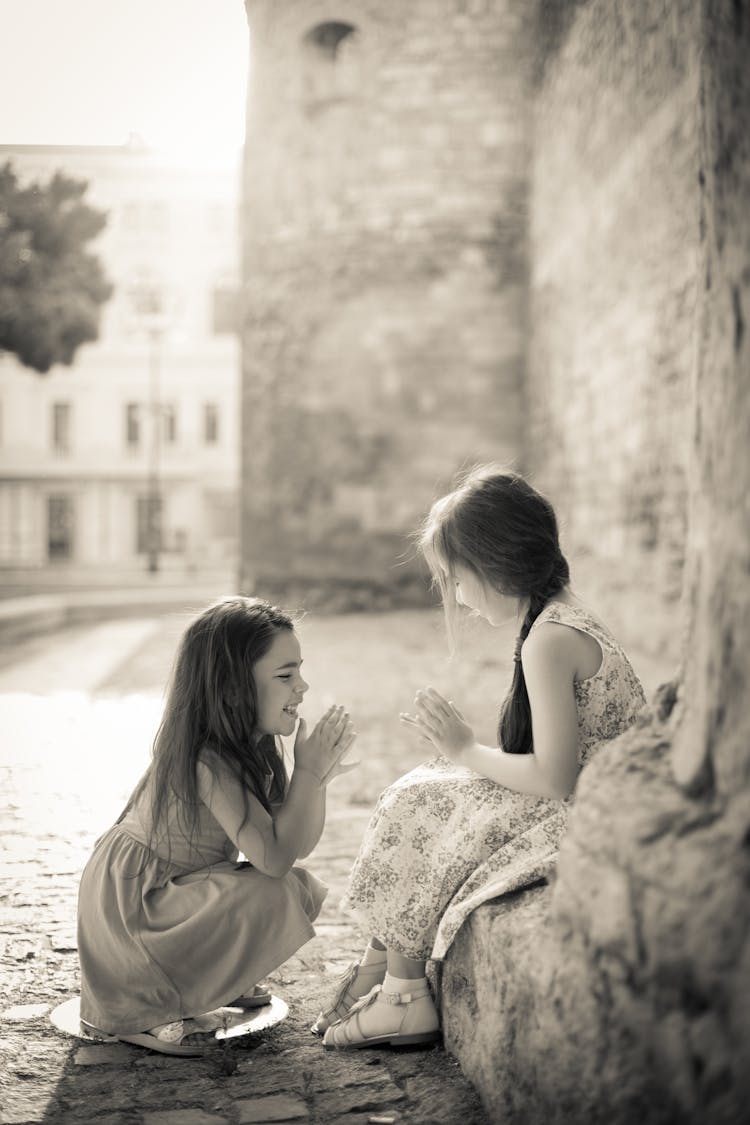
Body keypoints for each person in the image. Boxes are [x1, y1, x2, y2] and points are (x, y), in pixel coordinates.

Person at [316, 465, 646, 1050]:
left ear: (492, 564)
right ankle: (388, 971)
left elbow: (554, 774)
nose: (460, 598)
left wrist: (465, 748)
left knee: (423, 799)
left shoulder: (549, 637)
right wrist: (460, 757)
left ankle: (401, 995)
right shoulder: (560, 615)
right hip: (591, 794)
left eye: (456, 579)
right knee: (425, 789)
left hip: (585, 810)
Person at [78, 596, 356, 1056]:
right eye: (285, 675)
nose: (302, 686)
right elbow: (273, 861)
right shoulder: (210, 759)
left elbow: (296, 844)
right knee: (278, 890)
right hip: (136, 911)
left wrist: (316, 780)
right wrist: (306, 773)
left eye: (299, 671)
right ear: (232, 690)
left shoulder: (253, 745)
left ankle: (202, 982)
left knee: (299, 887)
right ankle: (145, 1006)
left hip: (170, 892)